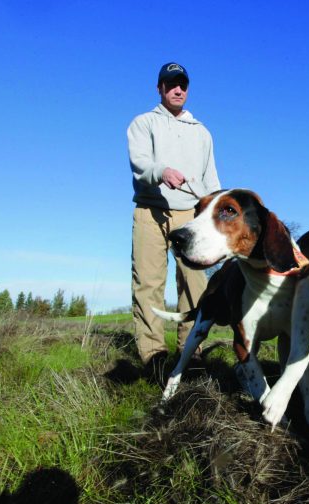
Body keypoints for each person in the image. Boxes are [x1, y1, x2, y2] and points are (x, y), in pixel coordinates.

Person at [127, 62, 221, 375]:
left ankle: (191, 353)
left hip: (191, 214)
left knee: (195, 285)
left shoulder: (202, 133)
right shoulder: (142, 123)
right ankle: (153, 359)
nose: (177, 90)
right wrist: (161, 171)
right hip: (150, 210)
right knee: (148, 284)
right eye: (171, 84)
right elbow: (140, 164)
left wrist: (218, 214)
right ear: (160, 89)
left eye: (182, 84)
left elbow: (212, 181)